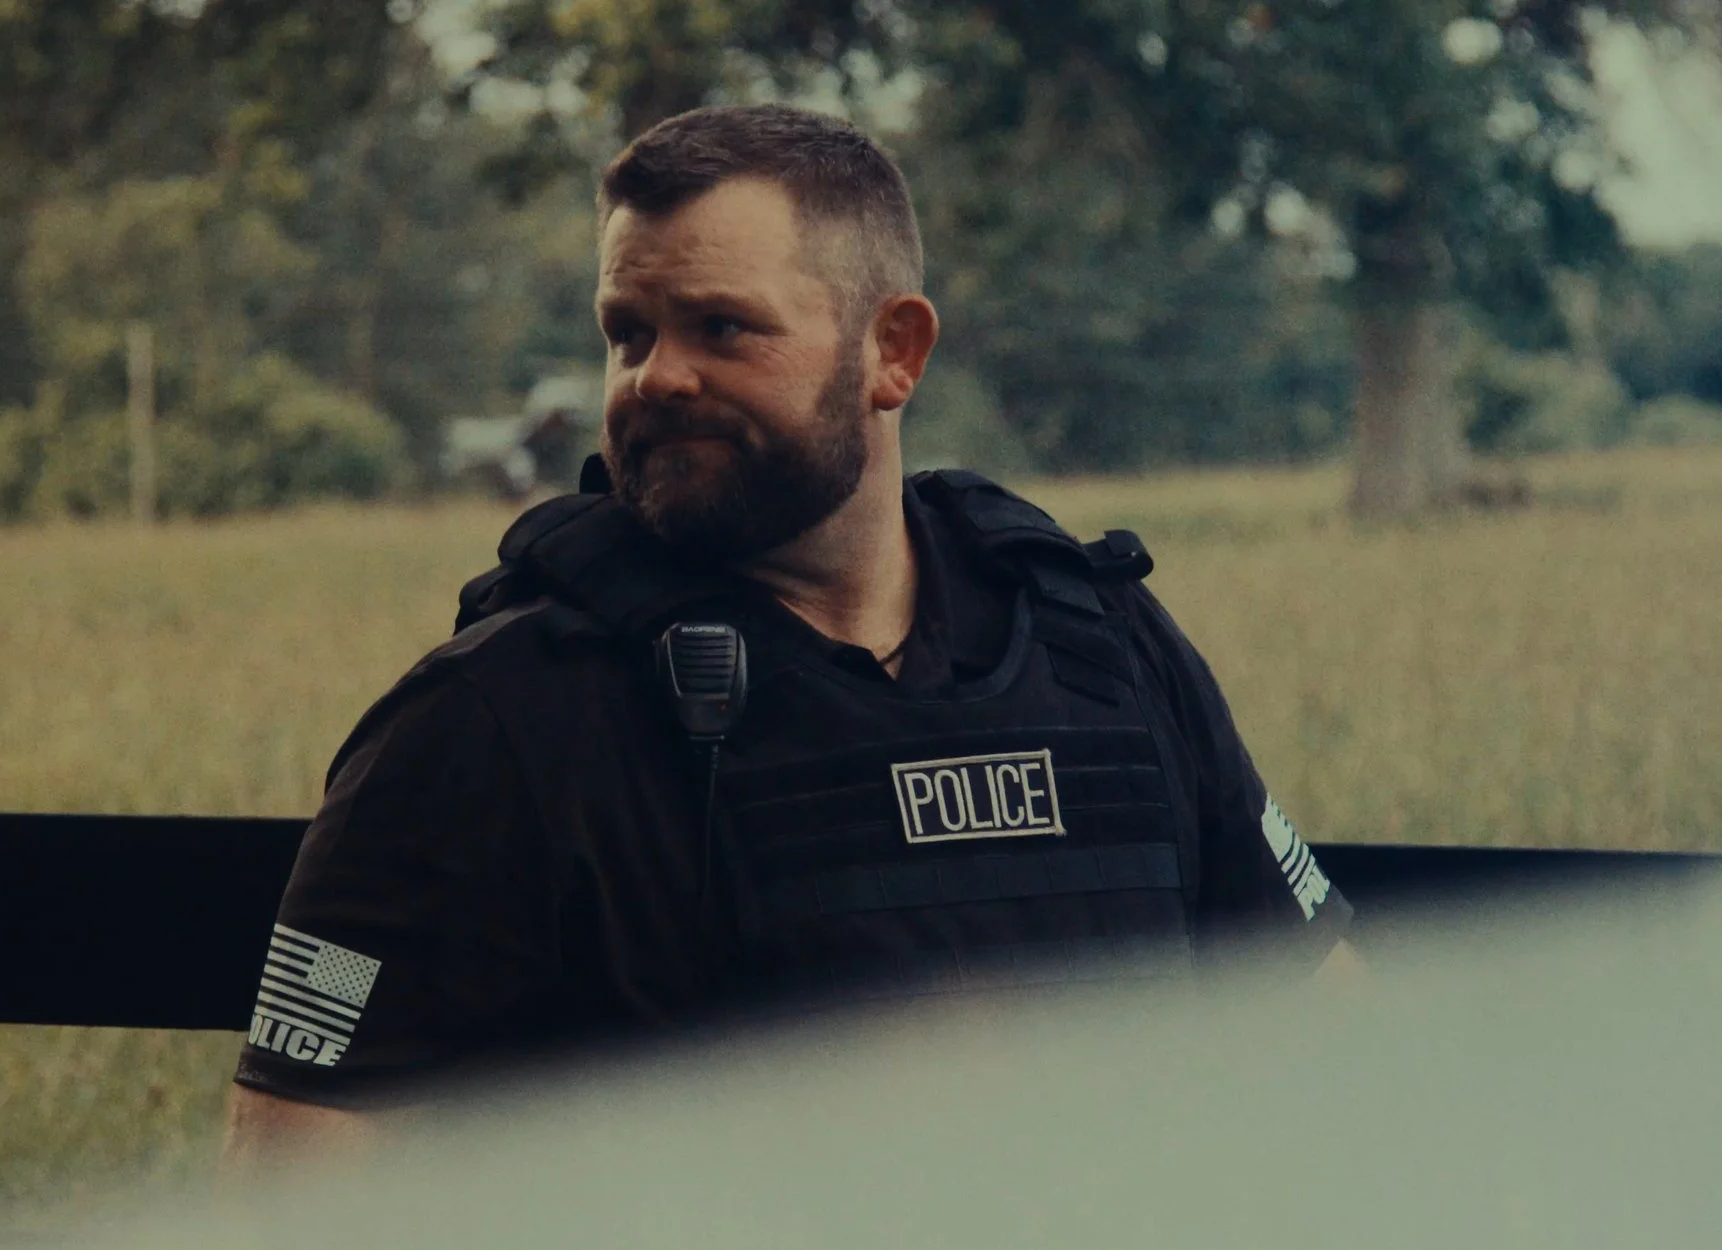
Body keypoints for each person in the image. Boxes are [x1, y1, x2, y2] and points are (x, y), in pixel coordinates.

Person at [222, 103, 1358, 1163]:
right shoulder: (491, 720)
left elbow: (1328, 1047)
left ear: (893, 352)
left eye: (722, 327)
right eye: (627, 332)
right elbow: (294, 1178)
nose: (657, 377)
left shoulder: (1098, 646)